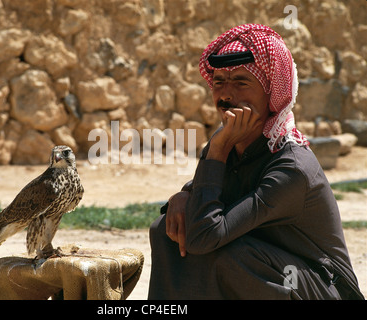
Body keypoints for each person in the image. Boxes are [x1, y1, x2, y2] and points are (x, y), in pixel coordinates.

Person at [148, 24, 364, 300]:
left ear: (271, 92)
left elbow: (207, 235)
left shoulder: (290, 166)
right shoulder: (228, 142)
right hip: (266, 261)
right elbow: (209, 196)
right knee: (166, 229)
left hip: (322, 286)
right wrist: (184, 195)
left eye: (241, 82)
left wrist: (217, 149)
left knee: (232, 256)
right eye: (219, 83)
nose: (225, 95)